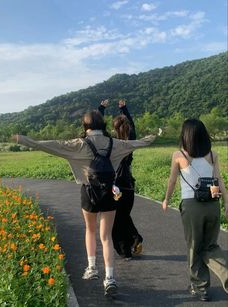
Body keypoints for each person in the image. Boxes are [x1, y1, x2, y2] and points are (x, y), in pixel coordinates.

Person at [12, 110, 156, 297]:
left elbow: (49, 145)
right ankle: (110, 278)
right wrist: (153, 136)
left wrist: (21, 139)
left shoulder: (77, 144)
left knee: (90, 230)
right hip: (110, 193)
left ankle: (91, 268)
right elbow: (139, 143)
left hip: (89, 192)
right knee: (106, 237)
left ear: (85, 126)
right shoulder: (114, 143)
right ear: (102, 125)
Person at [162, 118, 228, 301]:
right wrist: (227, 203)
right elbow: (219, 180)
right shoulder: (213, 155)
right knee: (211, 245)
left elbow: (172, 181)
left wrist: (166, 199)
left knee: (194, 246)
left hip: (192, 207)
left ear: (186, 136)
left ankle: (200, 288)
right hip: (213, 205)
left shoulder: (179, 156)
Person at [98, 99, 143, 260]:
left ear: (114, 128)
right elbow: (132, 126)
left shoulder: (111, 143)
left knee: (117, 220)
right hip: (128, 185)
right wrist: (124, 109)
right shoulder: (129, 143)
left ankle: (126, 250)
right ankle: (134, 239)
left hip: (114, 185)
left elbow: (99, 130)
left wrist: (101, 109)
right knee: (123, 216)